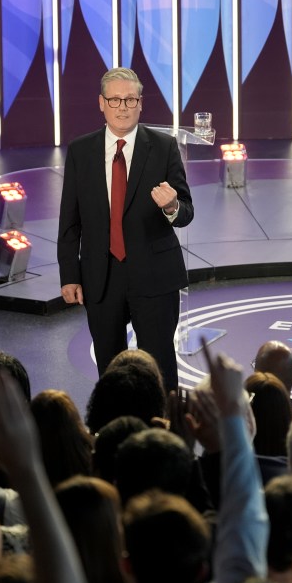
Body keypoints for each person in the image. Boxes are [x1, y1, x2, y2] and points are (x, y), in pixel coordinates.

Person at [57, 67, 194, 390]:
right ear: (101, 103)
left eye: (130, 99)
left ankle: (165, 432)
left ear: (140, 104)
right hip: (101, 277)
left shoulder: (163, 147)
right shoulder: (80, 151)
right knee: (110, 367)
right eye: (115, 99)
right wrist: (70, 274)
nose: (122, 106)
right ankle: (116, 430)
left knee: (159, 365)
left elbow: (186, 212)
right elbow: (70, 219)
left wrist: (172, 206)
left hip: (155, 274)